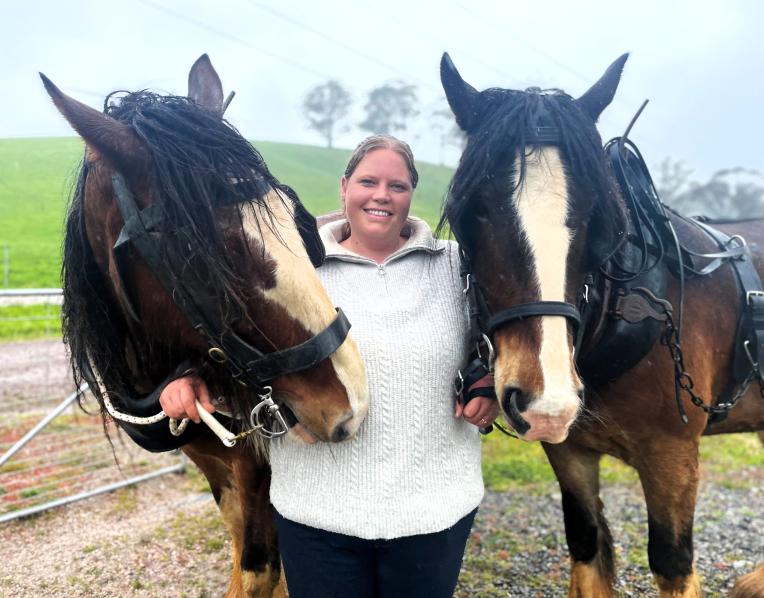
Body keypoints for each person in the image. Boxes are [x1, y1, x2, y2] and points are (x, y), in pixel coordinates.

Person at [160, 134, 498, 597]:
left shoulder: (457, 267)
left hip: (433, 514)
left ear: (411, 195)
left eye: (397, 186)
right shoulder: (294, 267)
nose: (382, 195)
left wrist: (488, 381)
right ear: (344, 188)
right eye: (368, 181)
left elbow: (503, 346)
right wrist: (188, 378)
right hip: (317, 518)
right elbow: (233, 344)